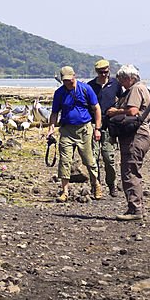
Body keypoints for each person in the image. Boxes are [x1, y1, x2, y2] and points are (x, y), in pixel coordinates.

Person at [47, 66, 102, 202]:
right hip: (67, 130)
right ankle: (65, 191)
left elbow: (96, 108)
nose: (67, 83)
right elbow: (54, 113)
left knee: (89, 160)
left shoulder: (85, 89)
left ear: (74, 76)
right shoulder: (59, 93)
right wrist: (51, 127)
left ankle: (96, 185)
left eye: (69, 80)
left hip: (84, 129)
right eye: (64, 81)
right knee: (65, 161)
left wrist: (97, 128)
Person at [106, 64, 150, 221]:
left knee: (129, 172)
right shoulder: (143, 88)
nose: (120, 83)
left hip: (135, 137)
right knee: (132, 170)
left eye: (121, 79)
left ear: (128, 78)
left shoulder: (135, 89)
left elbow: (133, 111)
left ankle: (135, 209)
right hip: (141, 136)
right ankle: (135, 207)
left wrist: (115, 111)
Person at [87, 59, 121, 197]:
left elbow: (123, 98)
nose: (103, 75)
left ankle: (112, 184)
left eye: (105, 72)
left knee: (108, 157)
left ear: (109, 70)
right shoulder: (90, 86)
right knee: (93, 158)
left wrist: (117, 110)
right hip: (93, 125)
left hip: (109, 126)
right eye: (101, 73)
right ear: (96, 72)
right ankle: (96, 185)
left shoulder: (115, 84)